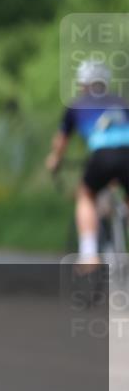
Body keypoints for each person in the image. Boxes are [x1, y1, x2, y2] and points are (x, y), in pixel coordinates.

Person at [45, 59, 129, 264]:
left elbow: (61, 141)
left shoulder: (77, 105)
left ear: (82, 84)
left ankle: (89, 254)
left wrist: (55, 160)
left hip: (101, 156)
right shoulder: (122, 102)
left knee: (85, 195)